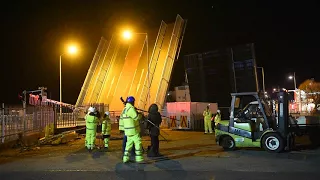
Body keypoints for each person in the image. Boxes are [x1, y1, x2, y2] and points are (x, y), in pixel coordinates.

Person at [122, 96, 144, 163]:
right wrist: (140, 115)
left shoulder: (125, 109)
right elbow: (136, 117)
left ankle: (125, 158)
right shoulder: (131, 109)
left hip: (128, 131)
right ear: (132, 102)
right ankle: (139, 158)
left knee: (128, 145)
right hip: (134, 131)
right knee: (138, 143)